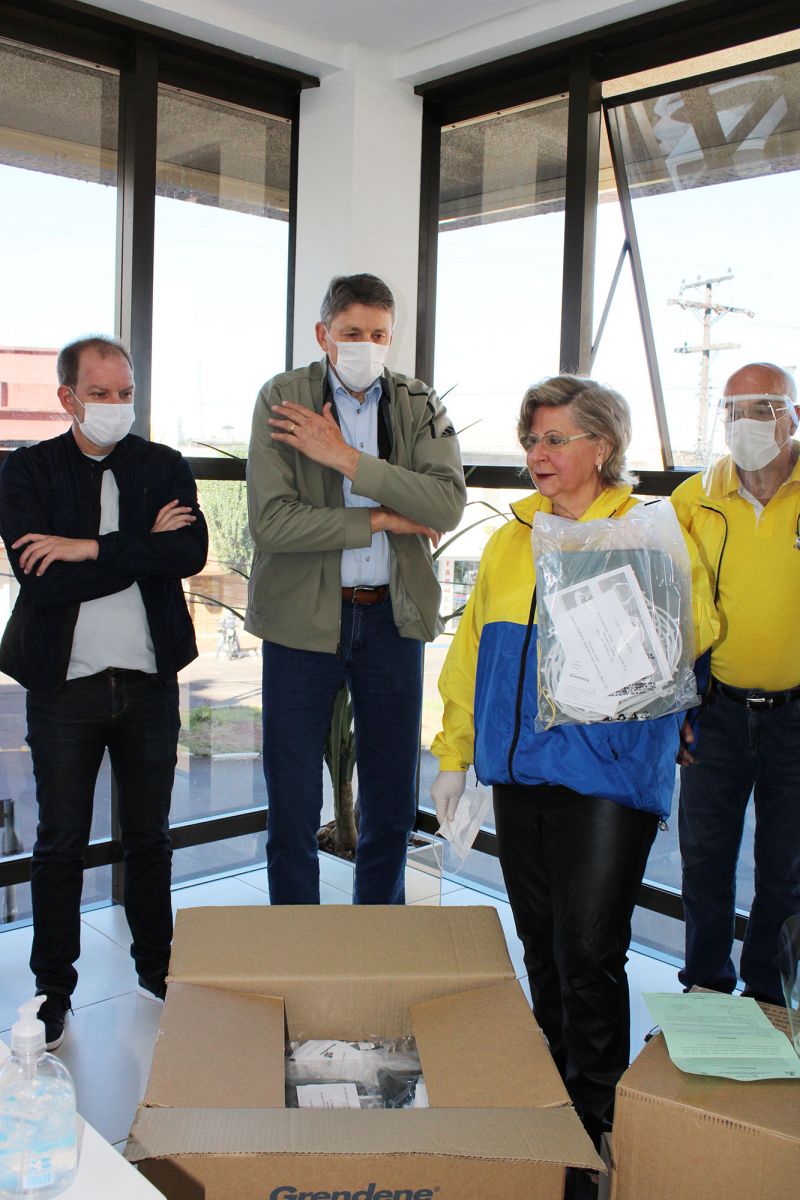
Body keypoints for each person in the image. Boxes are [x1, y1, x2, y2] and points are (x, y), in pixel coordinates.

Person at [429, 375, 717, 1153]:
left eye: (556, 438)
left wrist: (637, 598)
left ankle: (596, 1123)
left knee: (589, 952)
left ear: (603, 446)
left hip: (608, 777)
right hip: (520, 775)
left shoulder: (646, 530)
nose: (538, 453)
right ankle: (552, 1096)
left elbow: (700, 627)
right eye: (532, 440)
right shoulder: (510, 540)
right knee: (544, 950)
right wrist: (455, 754)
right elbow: (471, 656)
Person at [0, 335, 208, 1049]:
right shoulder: (26, 470)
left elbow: (188, 553)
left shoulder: (163, 465)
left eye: (126, 393)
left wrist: (87, 546)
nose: (117, 405)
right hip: (65, 689)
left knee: (150, 838)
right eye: (100, 393)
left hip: (149, 685)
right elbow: (41, 578)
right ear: (68, 398)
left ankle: (159, 970)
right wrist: (140, 547)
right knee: (59, 844)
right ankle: (52, 992)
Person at [246, 273, 466, 905]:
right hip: (300, 624)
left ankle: (377, 937)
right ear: (324, 335)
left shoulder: (418, 403)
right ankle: (300, 941)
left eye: (378, 335)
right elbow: (272, 523)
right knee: (291, 801)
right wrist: (381, 517)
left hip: (391, 620)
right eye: (351, 333)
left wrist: (345, 458)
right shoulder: (283, 399)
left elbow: (446, 504)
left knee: (391, 801)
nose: (365, 346)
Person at [672, 362, 800, 1006]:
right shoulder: (694, 499)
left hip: (796, 717)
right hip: (715, 711)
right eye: (732, 409)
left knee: (787, 871)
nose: (742, 421)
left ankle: (769, 1002)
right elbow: (666, 609)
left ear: (792, 416)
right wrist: (675, 709)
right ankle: (705, 989)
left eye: (761, 407)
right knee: (704, 863)